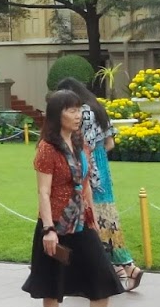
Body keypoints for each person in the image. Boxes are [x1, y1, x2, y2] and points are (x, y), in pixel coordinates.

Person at [25, 89, 124, 307]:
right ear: (58, 115)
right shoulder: (47, 148)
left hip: (81, 223)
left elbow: (85, 183)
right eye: (71, 110)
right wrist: (48, 229)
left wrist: (91, 215)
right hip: (56, 225)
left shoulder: (79, 142)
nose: (77, 115)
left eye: (79, 109)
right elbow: (43, 192)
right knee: (52, 286)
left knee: (104, 278)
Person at [57, 77, 140, 291]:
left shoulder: (80, 113)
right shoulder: (98, 108)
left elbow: (80, 145)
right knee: (107, 216)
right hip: (103, 168)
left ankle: (126, 266)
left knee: (94, 219)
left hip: (88, 169)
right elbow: (110, 143)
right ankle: (117, 267)